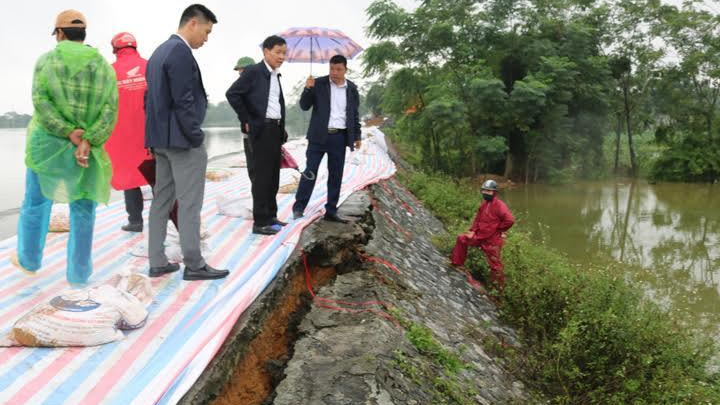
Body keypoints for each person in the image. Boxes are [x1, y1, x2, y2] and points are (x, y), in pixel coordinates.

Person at [13, 10, 118, 286]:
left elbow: (41, 103)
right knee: (83, 210)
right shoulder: (103, 66)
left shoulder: (46, 61)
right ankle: (79, 275)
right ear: (83, 34)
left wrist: (67, 132)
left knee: (36, 203)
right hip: (84, 151)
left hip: (46, 147)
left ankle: (29, 261)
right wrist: (88, 138)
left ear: (59, 33)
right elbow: (109, 111)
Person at [144, 4, 228, 281]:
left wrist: (154, 138)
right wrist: (195, 136)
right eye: (207, 31)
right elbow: (184, 100)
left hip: (161, 141)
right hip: (182, 141)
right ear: (193, 23)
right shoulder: (180, 52)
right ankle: (194, 263)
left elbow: (150, 102)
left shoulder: (158, 53)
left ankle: (157, 260)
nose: (206, 38)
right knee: (190, 203)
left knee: (161, 201)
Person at [226, 35, 288, 235]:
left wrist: (282, 127)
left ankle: (271, 215)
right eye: (278, 52)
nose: (281, 57)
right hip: (261, 130)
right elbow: (232, 94)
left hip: (275, 130)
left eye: (284, 53)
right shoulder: (254, 72)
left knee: (273, 176)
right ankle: (260, 222)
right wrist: (248, 119)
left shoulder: (275, 75)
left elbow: (275, 104)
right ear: (266, 51)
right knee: (261, 178)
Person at [292, 55, 362, 223]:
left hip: (339, 137)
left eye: (338, 69)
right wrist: (308, 89)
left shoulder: (351, 88)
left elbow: (354, 114)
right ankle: (299, 207)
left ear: (346, 69)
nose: (335, 73)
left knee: (336, 175)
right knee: (310, 172)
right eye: (332, 69)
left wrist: (357, 135)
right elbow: (304, 106)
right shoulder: (319, 84)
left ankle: (331, 211)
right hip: (318, 137)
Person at [105, 32, 152, 233]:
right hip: (151, 134)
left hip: (121, 135)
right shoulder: (151, 66)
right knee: (159, 178)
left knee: (128, 176)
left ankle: (135, 222)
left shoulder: (109, 71)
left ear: (116, 49)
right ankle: (169, 222)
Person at [450, 180, 515, 291]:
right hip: (479, 236)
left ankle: (499, 290)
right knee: (462, 238)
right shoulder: (484, 204)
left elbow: (510, 220)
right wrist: (473, 231)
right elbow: (477, 219)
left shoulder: (500, 206)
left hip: (492, 240)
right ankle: (457, 264)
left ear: (494, 192)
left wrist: (498, 229)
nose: (485, 193)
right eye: (484, 190)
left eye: (488, 191)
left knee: (495, 266)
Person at [233, 56, 257, 184]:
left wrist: (247, 120)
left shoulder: (253, 86)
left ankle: (260, 200)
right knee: (253, 167)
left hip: (255, 131)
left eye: (241, 70)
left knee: (256, 168)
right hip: (248, 132)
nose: (239, 73)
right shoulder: (243, 86)